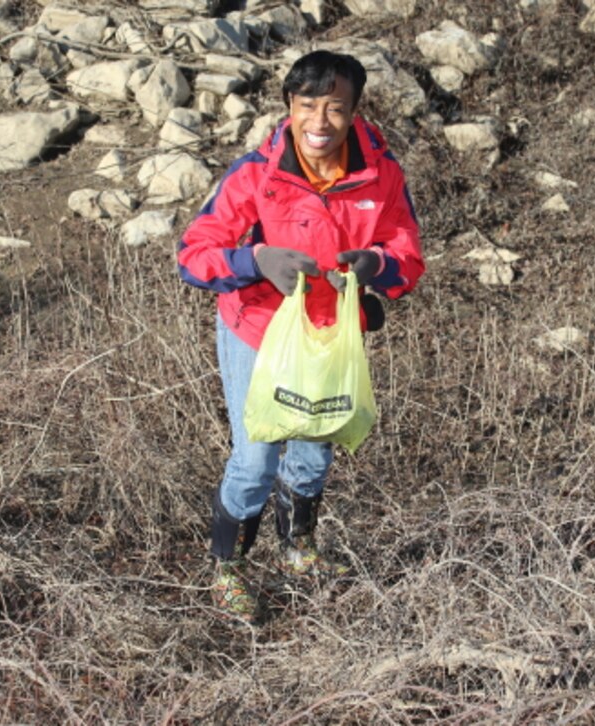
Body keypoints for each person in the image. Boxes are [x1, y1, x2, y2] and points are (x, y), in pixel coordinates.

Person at [177, 50, 425, 623]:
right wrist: (257, 259)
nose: (320, 122)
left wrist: (376, 267)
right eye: (308, 105)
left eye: (335, 108)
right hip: (257, 330)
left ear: (355, 111)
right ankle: (229, 569)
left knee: (314, 449)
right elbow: (194, 255)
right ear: (289, 105)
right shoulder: (255, 175)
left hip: (330, 334)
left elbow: (408, 254)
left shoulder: (381, 175)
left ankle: (297, 551)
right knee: (257, 457)